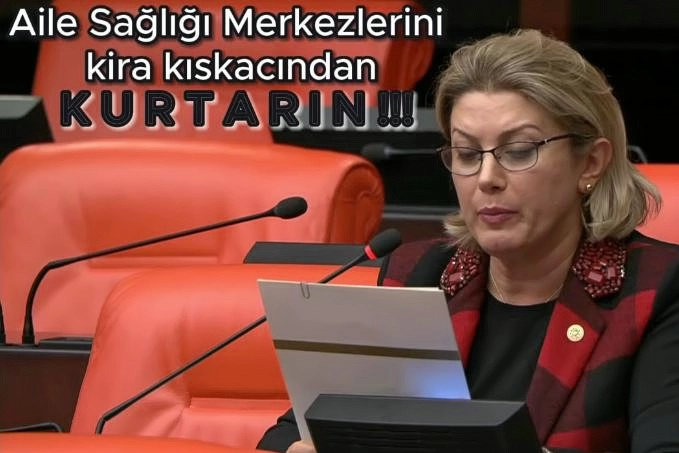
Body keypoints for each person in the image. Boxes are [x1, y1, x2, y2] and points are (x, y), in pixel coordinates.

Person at [256, 29, 679, 453]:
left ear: (590, 162)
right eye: (468, 154)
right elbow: (287, 434)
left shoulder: (656, 290)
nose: (487, 178)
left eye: (518, 151)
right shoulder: (422, 274)